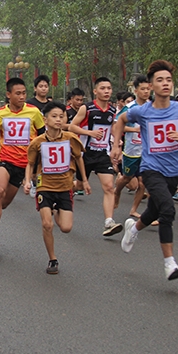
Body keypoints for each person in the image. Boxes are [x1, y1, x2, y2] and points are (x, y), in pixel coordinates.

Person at [111, 60, 178, 281]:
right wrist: (116, 146)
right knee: (168, 211)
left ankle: (133, 229)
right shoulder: (142, 111)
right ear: (151, 86)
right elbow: (120, 121)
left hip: (174, 170)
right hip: (151, 168)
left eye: (168, 80)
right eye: (160, 80)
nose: (165, 84)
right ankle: (169, 263)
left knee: (154, 211)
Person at [0, 77, 46, 254]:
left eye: (24, 93)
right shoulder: (0, 114)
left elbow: (43, 136)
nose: (22, 97)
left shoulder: (34, 112)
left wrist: (40, 163)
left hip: (25, 164)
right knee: (1, 191)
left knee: (4, 203)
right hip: (5, 159)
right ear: (8, 95)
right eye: (18, 93)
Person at [24, 101, 90, 274]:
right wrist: (26, 181)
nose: (59, 120)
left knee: (66, 228)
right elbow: (30, 163)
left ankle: (56, 209)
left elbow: (79, 158)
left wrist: (85, 180)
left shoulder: (70, 139)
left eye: (62, 116)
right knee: (47, 225)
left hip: (65, 187)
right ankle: (52, 259)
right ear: (45, 120)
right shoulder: (37, 142)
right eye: (54, 116)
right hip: (44, 187)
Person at [69, 77, 123, 237]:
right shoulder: (87, 108)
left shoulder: (112, 110)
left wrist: (116, 144)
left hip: (102, 154)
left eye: (109, 88)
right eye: (103, 88)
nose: (106, 91)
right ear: (95, 91)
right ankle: (61, 192)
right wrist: (89, 133)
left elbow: (112, 128)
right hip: (85, 154)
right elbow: (72, 126)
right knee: (78, 185)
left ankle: (108, 222)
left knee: (108, 187)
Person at [113, 75, 150, 219]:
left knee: (142, 183)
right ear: (136, 91)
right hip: (131, 151)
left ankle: (134, 209)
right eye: (143, 89)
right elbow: (117, 126)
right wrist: (133, 130)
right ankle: (117, 191)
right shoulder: (130, 108)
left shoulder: (152, 106)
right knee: (127, 178)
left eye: (148, 89)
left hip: (147, 152)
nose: (146, 92)